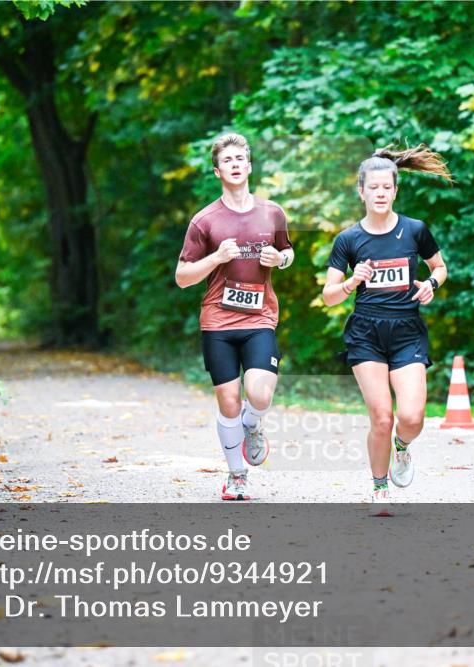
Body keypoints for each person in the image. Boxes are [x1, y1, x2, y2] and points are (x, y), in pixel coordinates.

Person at [321, 144, 450, 510]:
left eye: (386, 188)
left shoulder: (415, 230)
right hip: (366, 334)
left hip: (407, 330)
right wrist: (350, 282)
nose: (380, 194)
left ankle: (402, 447)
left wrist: (431, 285)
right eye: (373, 188)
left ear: (395, 190)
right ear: (361, 191)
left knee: (411, 418)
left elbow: (439, 268)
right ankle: (379, 486)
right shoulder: (348, 240)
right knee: (382, 416)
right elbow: (329, 295)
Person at [175, 133, 294, 501]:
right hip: (218, 322)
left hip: (260, 317)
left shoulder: (272, 212)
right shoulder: (204, 221)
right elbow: (182, 278)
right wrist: (216, 259)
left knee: (258, 394)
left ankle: (253, 424)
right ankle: (237, 475)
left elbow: (288, 252)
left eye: (241, 158)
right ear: (217, 170)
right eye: (228, 160)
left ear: (250, 166)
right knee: (228, 401)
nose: (236, 164)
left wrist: (280, 259)